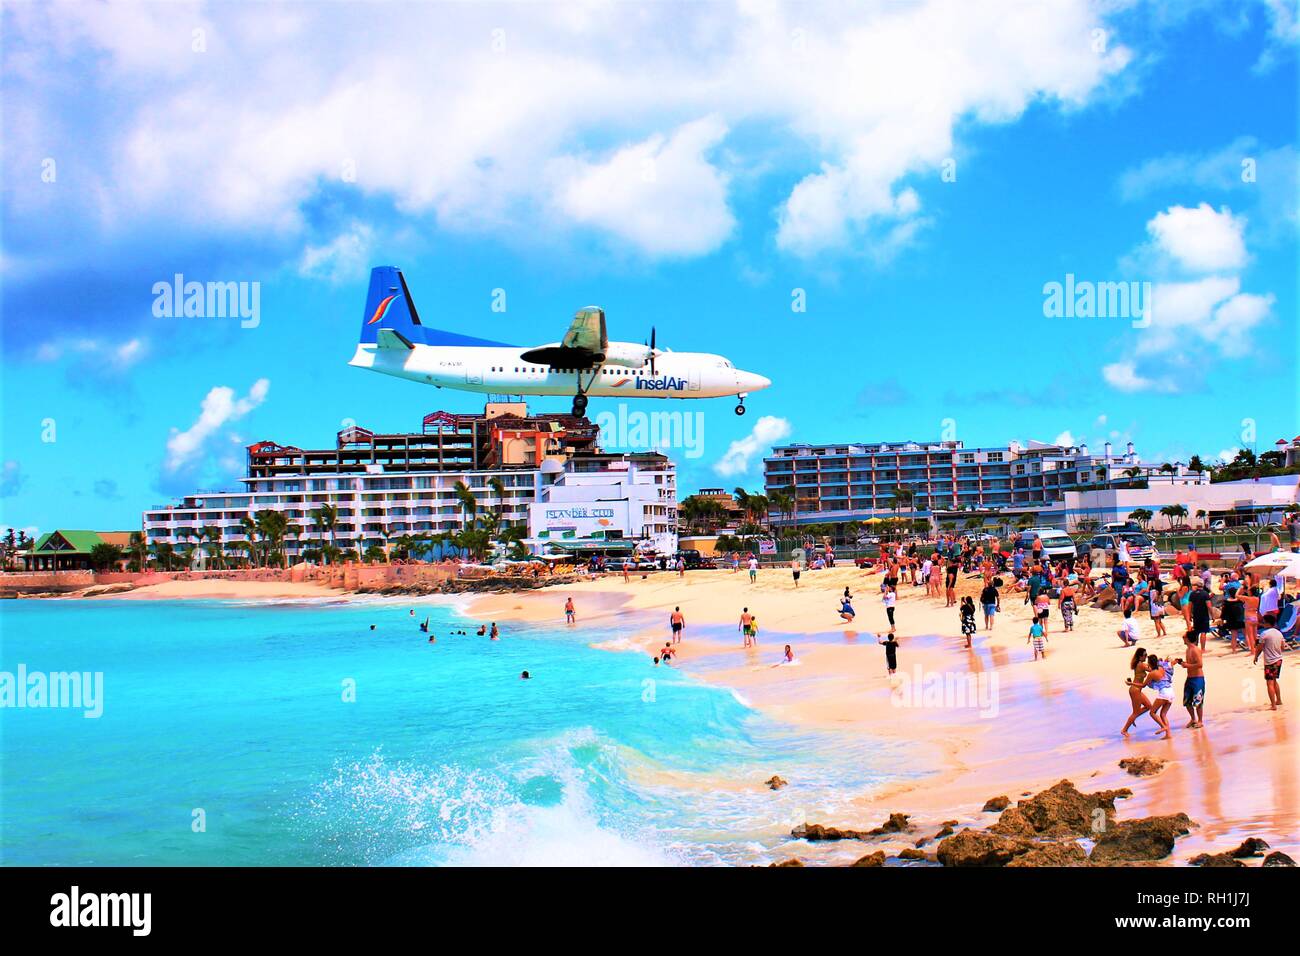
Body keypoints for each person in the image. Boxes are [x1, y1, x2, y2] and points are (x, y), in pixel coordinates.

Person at [1254, 612, 1285, 710]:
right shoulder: (1279, 633)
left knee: (1269, 683)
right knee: (1275, 680)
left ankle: (1273, 705)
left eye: (1263, 622)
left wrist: (1256, 657)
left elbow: (1259, 648)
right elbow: (1282, 647)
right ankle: (1279, 700)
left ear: (1267, 623)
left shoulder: (1264, 634)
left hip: (1270, 661)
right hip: (1279, 659)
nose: (1262, 624)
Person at [1173, 631, 1205, 728]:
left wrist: (1187, 665)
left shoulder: (1196, 650)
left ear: (1188, 638)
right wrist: (1183, 663)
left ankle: (1200, 720)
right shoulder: (1188, 650)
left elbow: (1200, 664)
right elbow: (1191, 663)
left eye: (1184, 637)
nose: (1183, 638)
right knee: (1187, 701)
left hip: (1198, 678)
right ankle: (1193, 719)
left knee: (1198, 701)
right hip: (1189, 678)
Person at [1122, 646, 1152, 737]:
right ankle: (1124, 730)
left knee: (1149, 706)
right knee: (1136, 712)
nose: (1146, 657)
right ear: (1140, 656)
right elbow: (1152, 669)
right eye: (1145, 655)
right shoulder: (1142, 665)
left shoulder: (1140, 663)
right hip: (1135, 690)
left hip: (1136, 689)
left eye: (1147, 655)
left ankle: (1133, 717)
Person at [1144, 654, 1174, 739]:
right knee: (1163, 714)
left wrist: (1131, 684)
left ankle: (1163, 727)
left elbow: (1143, 685)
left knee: (1152, 713)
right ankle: (1168, 735)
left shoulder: (1151, 674)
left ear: (1149, 663)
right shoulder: (1161, 668)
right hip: (1171, 691)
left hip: (1164, 693)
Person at [1187, 579, 1213, 651]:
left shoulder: (1192, 594)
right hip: (1204, 615)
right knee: (1203, 632)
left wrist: (1189, 615)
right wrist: (1212, 615)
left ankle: (1195, 648)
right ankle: (1203, 649)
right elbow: (1209, 606)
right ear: (1203, 585)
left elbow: (1189, 606)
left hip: (1196, 614)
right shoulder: (1205, 594)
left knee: (1196, 631)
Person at [1220, 584, 1247, 652]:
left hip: (1231, 620)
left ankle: (1234, 650)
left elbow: (1223, 613)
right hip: (1240, 619)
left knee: (1234, 636)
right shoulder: (1240, 601)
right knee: (1246, 635)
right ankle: (1250, 647)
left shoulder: (1226, 603)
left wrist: (1223, 620)